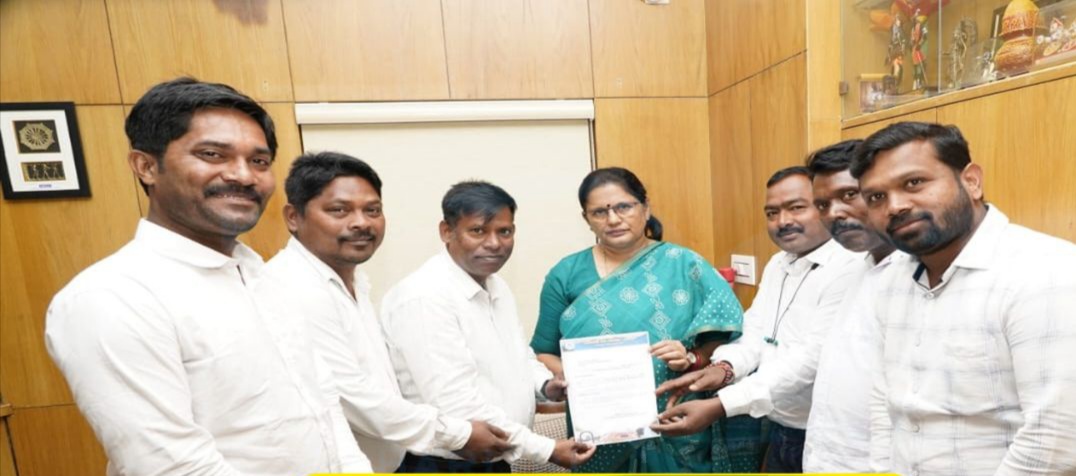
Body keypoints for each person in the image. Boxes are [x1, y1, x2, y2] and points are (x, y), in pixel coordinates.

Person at [44, 78, 371, 475]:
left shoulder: (266, 279)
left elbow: (324, 405)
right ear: (146, 166)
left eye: (259, 161)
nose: (244, 176)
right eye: (213, 154)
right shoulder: (111, 297)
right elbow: (173, 465)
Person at [255, 152, 516, 472]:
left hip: (390, 459)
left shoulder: (353, 281)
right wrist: (457, 433)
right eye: (339, 210)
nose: (361, 222)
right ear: (294, 217)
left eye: (372, 210)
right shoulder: (293, 286)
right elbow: (354, 398)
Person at [851, 122, 1076, 475]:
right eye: (876, 197)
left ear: (971, 181)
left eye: (914, 182)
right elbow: (887, 407)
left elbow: (1056, 440)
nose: (895, 206)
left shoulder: (1046, 272)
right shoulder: (891, 280)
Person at [530, 167, 752, 472]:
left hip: (678, 425)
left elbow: (726, 336)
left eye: (624, 207)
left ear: (645, 208)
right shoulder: (565, 274)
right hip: (601, 429)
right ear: (587, 219)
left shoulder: (685, 264)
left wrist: (692, 358)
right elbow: (544, 351)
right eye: (599, 212)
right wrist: (573, 377)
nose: (613, 219)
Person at [652, 166, 860, 473]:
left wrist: (721, 405)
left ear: (823, 207)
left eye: (796, 207)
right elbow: (756, 330)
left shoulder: (850, 266)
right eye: (772, 213)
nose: (783, 221)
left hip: (830, 435)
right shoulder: (778, 263)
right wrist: (722, 369)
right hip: (779, 424)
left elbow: (811, 359)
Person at [380, 181, 596, 472]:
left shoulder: (497, 286)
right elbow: (457, 406)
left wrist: (546, 385)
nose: (494, 243)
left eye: (504, 231)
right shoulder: (424, 297)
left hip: (495, 457)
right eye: (478, 231)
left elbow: (519, 357)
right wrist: (546, 449)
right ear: (446, 231)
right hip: (442, 465)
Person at [801, 139, 898, 473]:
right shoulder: (857, 270)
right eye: (822, 204)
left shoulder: (918, 278)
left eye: (848, 195)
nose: (834, 213)